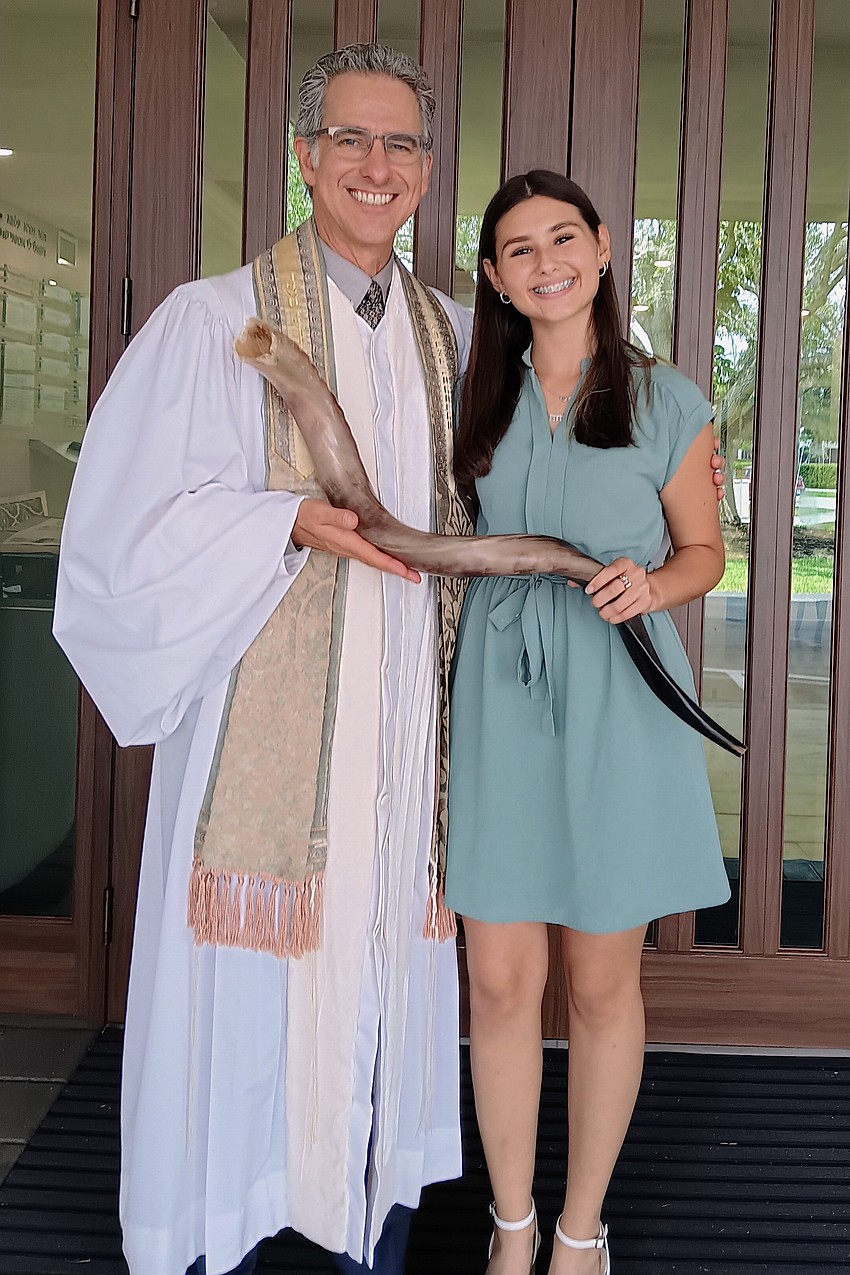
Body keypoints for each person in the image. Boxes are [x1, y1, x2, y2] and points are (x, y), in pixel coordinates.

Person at [54, 44, 473, 1275]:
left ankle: (366, 1214)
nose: (375, 166)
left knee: (387, 954)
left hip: (402, 721)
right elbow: (120, 530)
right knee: (251, 985)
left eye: (399, 145)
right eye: (349, 140)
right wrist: (282, 518)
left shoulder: (453, 333)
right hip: (266, 725)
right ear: (303, 159)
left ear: (427, 172)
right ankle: (231, 1220)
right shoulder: (214, 323)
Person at [445, 170, 732, 1275]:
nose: (545, 261)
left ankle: (580, 1230)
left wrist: (651, 589)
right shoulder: (472, 393)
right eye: (518, 249)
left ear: (603, 249)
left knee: (604, 981)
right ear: (493, 277)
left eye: (562, 238)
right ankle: (510, 1225)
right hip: (501, 700)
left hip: (620, 693)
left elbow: (703, 555)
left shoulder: (668, 397)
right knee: (500, 980)